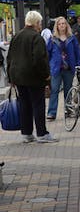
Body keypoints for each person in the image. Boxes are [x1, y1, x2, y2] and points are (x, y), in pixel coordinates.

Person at [5, 10, 58, 142]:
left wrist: (11, 78)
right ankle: (42, 134)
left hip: (19, 78)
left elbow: (10, 58)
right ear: (35, 23)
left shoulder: (17, 36)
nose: (40, 25)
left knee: (25, 105)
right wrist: (46, 75)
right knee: (38, 105)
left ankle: (27, 134)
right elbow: (40, 59)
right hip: (34, 78)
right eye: (39, 22)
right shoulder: (36, 37)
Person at [46, 15, 80, 121]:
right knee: (54, 91)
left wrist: (79, 64)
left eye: (63, 23)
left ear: (67, 25)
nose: (62, 25)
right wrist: (48, 67)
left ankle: (68, 110)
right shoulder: (52, 39)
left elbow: (77, 53)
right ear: (56, 26)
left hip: (69, 69)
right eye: (60, 24)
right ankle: (52, 113)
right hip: (56, 69)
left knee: (68, 90)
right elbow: (47, 54)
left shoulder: (72, 38)